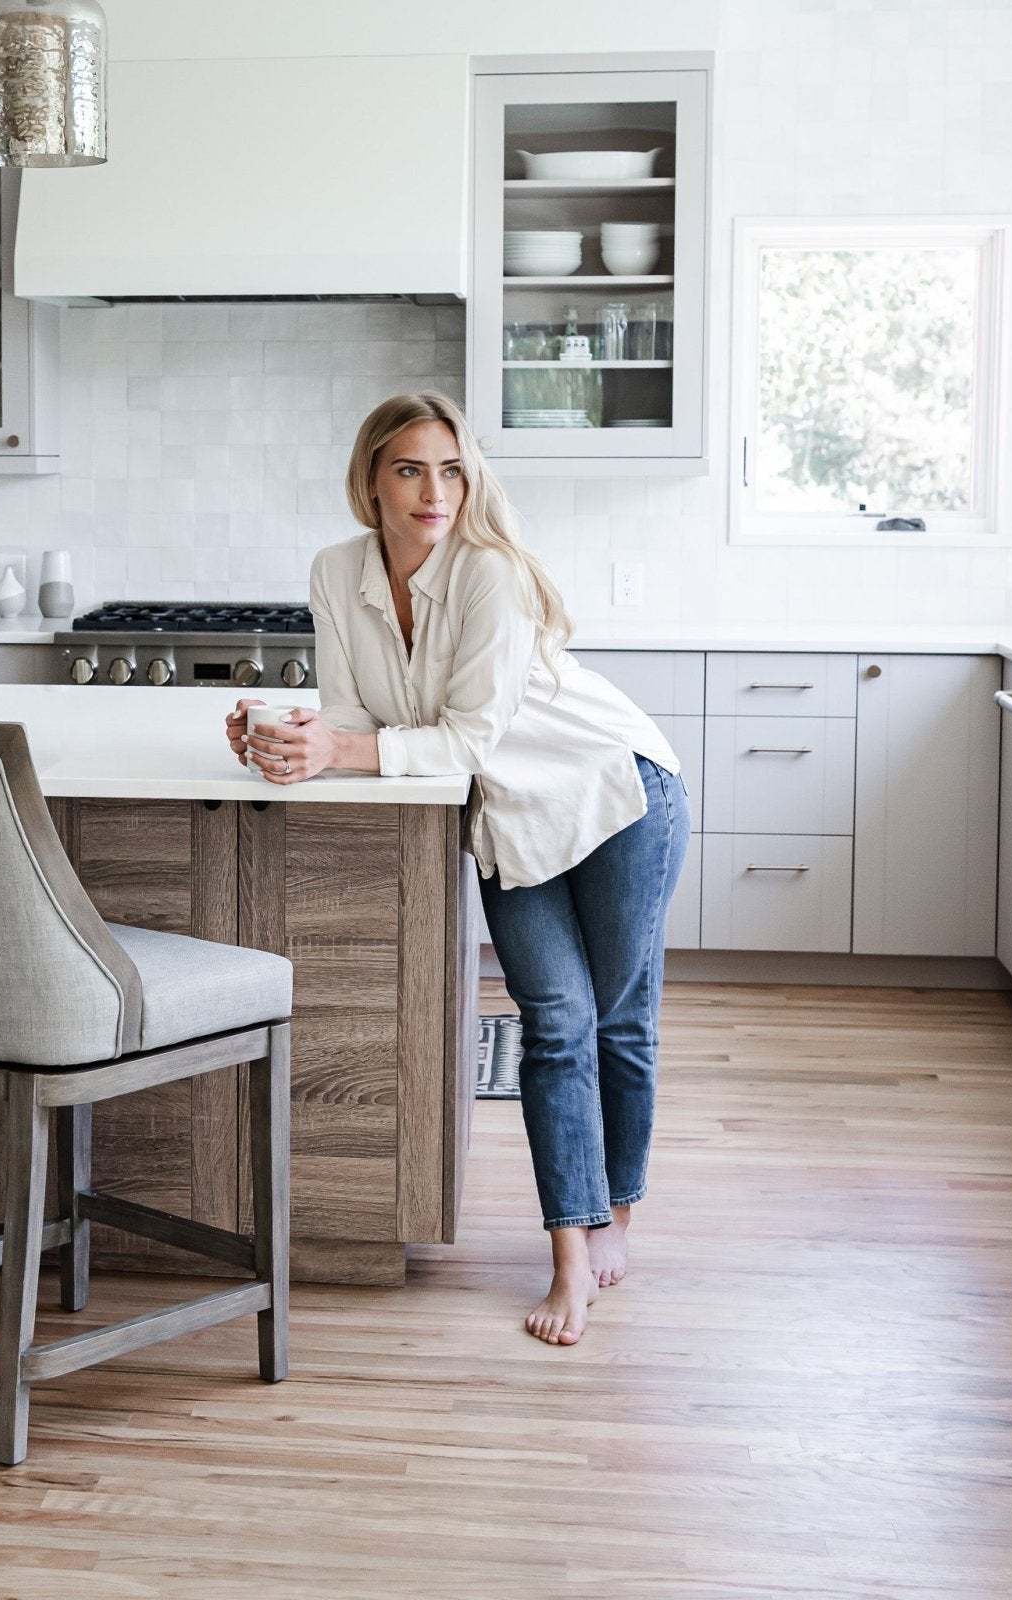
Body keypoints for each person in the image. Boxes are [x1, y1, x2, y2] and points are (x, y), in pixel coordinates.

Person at [225, 391, 689, 1346]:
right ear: (371, 482)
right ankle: (568, 1255)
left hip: (616, 795)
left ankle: (619, 1213)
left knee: (617, 1020)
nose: (434, 490)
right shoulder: (337, 571)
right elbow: (355, 714)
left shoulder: (490, 576)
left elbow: (469, 734)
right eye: (409, 468)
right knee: (553, 1027)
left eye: (451, 468)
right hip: (514, 822)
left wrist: (337, 750)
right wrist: (287, 733)